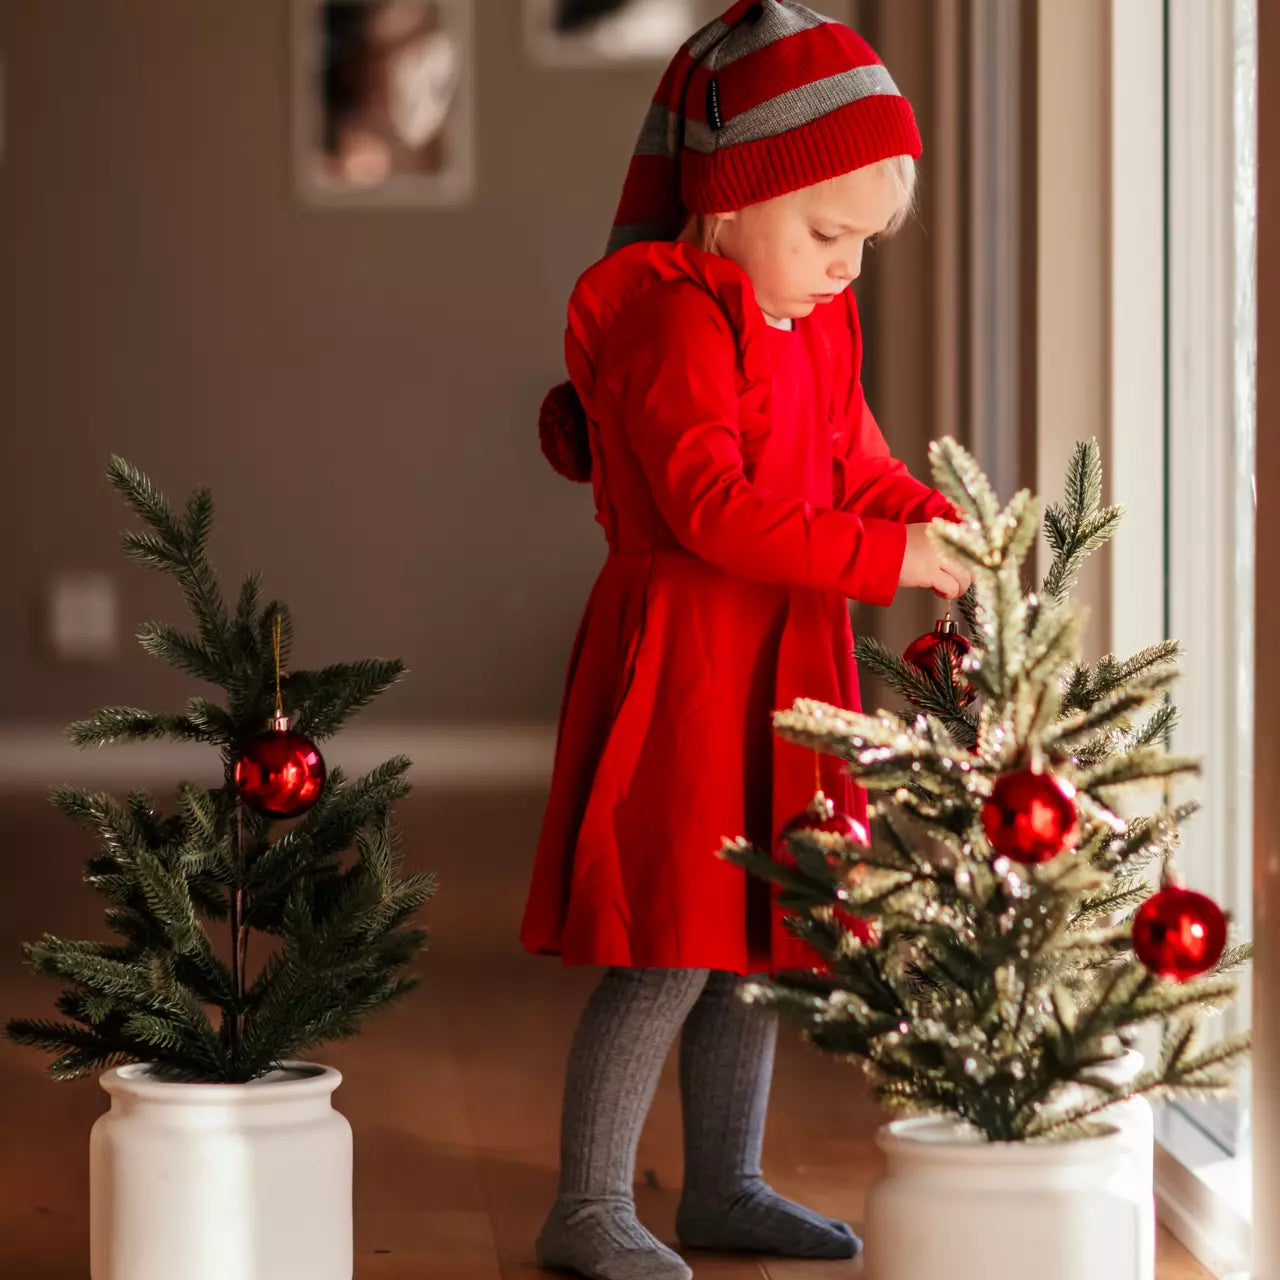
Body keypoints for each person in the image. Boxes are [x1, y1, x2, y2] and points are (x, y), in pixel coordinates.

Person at [520, 4, 972, 1276]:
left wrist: (950, 526)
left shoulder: (817, 321)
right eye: (826, 235)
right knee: (672, 941)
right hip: (687, 659)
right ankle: (589, 1202)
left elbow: (858, 466)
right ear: (726, 200)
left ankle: (723, 1181)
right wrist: (889, 560)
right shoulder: (674, 317)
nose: (847, 267)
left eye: (864, 244)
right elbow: (711, 508)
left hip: (789, 661)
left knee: (758, 945)